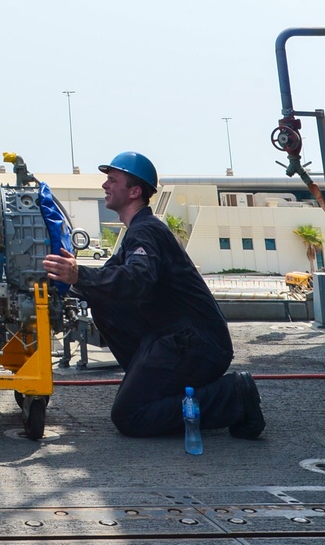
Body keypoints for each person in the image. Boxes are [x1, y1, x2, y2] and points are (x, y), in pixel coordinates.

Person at [42, 152, 265, 440]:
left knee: (129, 416)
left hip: (198, 345)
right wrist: (58, 281)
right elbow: (101, 283)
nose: (104, 186)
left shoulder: (146, 232)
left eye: (112, 180)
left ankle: (232, 396)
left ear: (134, 191)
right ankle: (147, 377)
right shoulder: (137, 233)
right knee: (103, 299)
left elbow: (139, 278)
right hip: (180, 339)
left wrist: (79, 275)